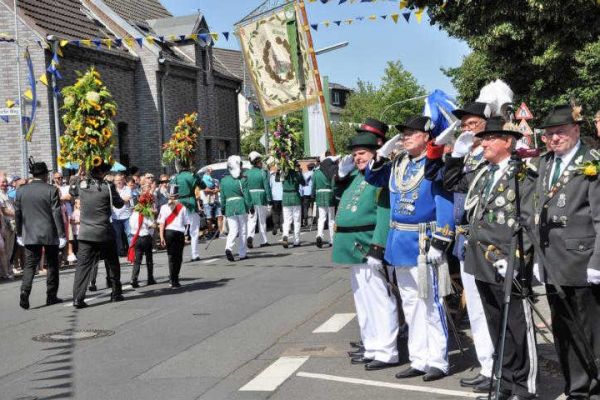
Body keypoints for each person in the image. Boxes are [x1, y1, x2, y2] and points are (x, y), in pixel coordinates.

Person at [444, 117, 537, 400]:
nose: (482, 143)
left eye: (489, 138)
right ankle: (505, 381)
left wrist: (519, 260)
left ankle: (524, 386)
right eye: (482, 138)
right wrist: (457, 155)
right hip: (481, 260)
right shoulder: (484, 172)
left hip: (508, 260)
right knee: (496, 324)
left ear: (507, 141)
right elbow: (451, 182)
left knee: (517, 326)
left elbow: (529, 222)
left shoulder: (524, 174)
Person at [366, 116, 455, 382]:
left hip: (423, 241)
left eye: (411, 133)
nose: (405, 137)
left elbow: (445, 202)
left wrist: (441, 239)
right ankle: (419, 358)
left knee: (431, 302)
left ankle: (438, 360)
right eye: (403, 134)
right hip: (400, 242)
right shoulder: (398, 164)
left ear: (427, 137)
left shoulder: (433, 164)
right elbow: (374, 178)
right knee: (410, 302)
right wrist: (380, 156)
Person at [532, 104, 600, 400]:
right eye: (548, 135)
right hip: (551, 260)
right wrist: (537, 258)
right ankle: (576, 387)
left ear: (576, 130)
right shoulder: (545, 163)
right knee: (562, 329)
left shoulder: (592, 163)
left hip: (583, 261)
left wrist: (598, 261)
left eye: (560, 132)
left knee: (591, 330)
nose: (554, 139)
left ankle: (594, 384)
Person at [427, 102, 495, 392]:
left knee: (493, 308)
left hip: (491, 242)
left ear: (486, 124)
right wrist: (443, 150)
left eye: (473, 124)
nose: (467, 129)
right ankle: (487, 365)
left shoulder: (491, 155)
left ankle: (500, 367)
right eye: (464, 125)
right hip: (465, 241)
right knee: (477, 310)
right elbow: (437, 177)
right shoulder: (464, 157)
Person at [333, 131, 400, 371]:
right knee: (364, 302)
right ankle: (372, 345)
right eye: (355, 154)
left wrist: (377, 247)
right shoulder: (356, 176)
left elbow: (384, 212)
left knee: (379, 300)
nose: (358, 158)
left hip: (367, 243)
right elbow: (338, 197)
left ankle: (386, 350)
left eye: (362, 153)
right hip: (352, 247)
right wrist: (340, 175)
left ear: (374, 153)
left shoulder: (380, 177)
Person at [71, 162, 125, 308]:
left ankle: (78, 298)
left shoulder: (82, 186)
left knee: (82, 266)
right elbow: (119, 204)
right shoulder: (108, 186)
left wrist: (79, 171)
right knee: (112, 262)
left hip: (85, 233)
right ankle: (116, 292)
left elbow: (72, 188)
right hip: (104, 231)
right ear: (101, 173)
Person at [15, 161, 67, 309]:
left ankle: (25, 291)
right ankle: (51, 295)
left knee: (30, 265)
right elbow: (56, 213)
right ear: (45, 174)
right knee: (52, 264)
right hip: (49, 232)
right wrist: (61, 234)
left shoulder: (21, 191)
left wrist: (19, 233)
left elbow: (18, 214)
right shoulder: (51, 189)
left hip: (30, 232)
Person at [220, 155, 253, 262]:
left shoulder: (224, 181)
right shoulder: (242, 179)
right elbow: (247, 195)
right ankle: (242, 253)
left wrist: (223, 208)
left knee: (233, 230)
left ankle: (228, 248)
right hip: (240, 205)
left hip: (229, 206)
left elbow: (222, 197)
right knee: (243, 230)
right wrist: (250, 206)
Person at [171, 161, 205, 261]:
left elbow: (172, 193)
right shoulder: (193, 176)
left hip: (179, 203)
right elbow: (202, 186)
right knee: (194, 230)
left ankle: (177, 254)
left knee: (178, 229)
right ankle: (195, 254)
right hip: (191, 202)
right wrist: (196, 175)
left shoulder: (176, 177)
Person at [158, 185, 189, 287]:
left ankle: (173, 278)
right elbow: (186, 223)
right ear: (178, 196)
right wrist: (186, 236)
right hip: (178, 233)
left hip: (169, 233)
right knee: (178, 257)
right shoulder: (182, 207)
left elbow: (161, 224)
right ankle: (175, 278)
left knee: (171, 256)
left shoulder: (163, 207)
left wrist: (162, 237)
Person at [128, 193, 156, 287]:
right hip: (145, 237)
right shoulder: (143, 214)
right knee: (149, 258)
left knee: (137, 260)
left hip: (135, 238)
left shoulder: (131, 216)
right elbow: (152, 225)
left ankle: (134, 279)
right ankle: (150, 278)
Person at [246, 151, 272, 248]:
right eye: (260, 161)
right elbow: (267, 187)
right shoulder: (262, 173)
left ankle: (250, 236)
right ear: (257, 162)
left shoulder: (246, 173)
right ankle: (263, 241)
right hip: (261, 197)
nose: (261, 163)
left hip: (250, 198)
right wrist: (269, 199)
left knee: (251, 220)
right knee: (262, 221)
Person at [312, 154, 336, 248]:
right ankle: (332, 239)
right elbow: (333, 183)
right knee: (331, 219)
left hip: (320, 195)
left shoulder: (316, 172)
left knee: (321, 218)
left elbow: (313, 185)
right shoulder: (330, 170)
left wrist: (312, 195)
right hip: (329, 194)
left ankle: (319, 235)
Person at [281, 162, 305, 248]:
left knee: (287, 220)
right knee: (297, 221)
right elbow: (303, 182)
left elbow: (277, 180)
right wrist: (299, 172)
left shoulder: (283, 172)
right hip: (295, 196)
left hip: (285, 197)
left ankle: (285, 235)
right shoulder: (296, 173)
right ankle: (296, 241)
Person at [111, 173, 132, 257]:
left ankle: (132, 252)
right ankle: (120, 252)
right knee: (117, 235)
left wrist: (117, 200)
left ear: (123, 180)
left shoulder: (127, 188)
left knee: (129, 234)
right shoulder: (112, 190)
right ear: (114, 181)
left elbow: (128, 199)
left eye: (120, 180)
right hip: (115, 216)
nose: (119, 182)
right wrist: (122, 200)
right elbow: (112, 201)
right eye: (117, 180)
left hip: (127, 216)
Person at [269, 164, 283, 235]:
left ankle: (275, 226)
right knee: (282, 212)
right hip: (282, 196)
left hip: (274, 197)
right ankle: (282, 226)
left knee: (275, 212)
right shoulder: (283, 176)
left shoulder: (271, 177)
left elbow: (270, 186)